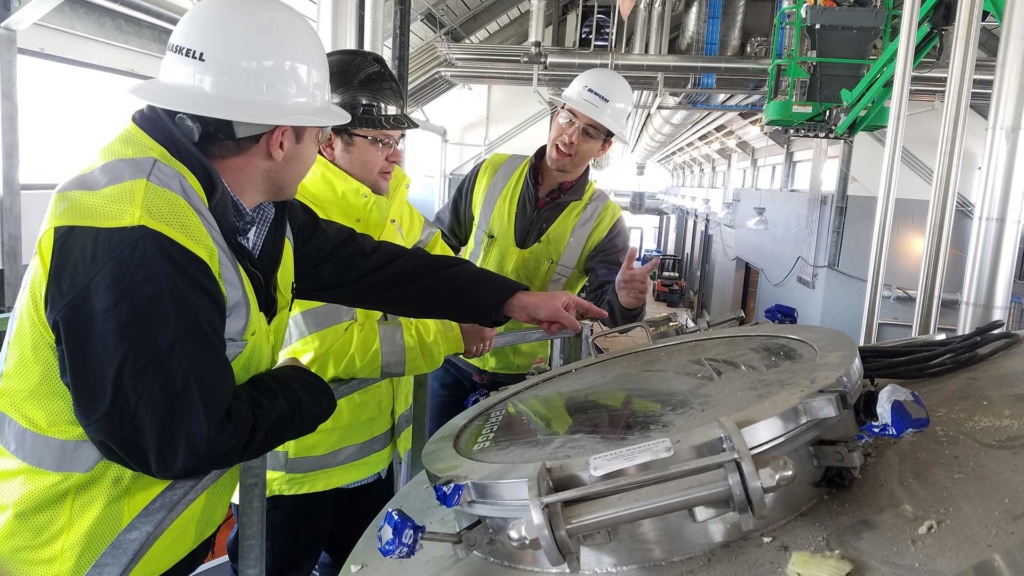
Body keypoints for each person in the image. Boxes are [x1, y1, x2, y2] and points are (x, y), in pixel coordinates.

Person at [0, 2, 607, 575]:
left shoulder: (238, 203)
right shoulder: (137, 232)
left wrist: (510, 299)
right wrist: (308, 390)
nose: (323, 147)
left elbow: (373, 267)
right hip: (79, 548)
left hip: (151, 531)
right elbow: (180, 439)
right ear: (282, 137)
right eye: (322, 131)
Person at [223, 49, 496, 575]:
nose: (395, 157)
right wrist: (450, 335)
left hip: (371, 459)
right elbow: (326, 345)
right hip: (293, 469)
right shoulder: (294, 215)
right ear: (327, 141)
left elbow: (443, 270)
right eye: (380, 142)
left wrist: (490, 301)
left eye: (398, 143)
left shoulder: (391, 203)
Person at [428, 68, 660, 436]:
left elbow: (612, 315)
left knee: (507, 485)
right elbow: (437, 248)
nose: (570, 136)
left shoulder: (605, 220)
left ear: (603, 147)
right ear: (556, 115)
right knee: (435, 475)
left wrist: (627, 299)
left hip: (527, 376)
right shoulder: (491, 171)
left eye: (589, 131)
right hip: (453, 353)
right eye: (568, 118)